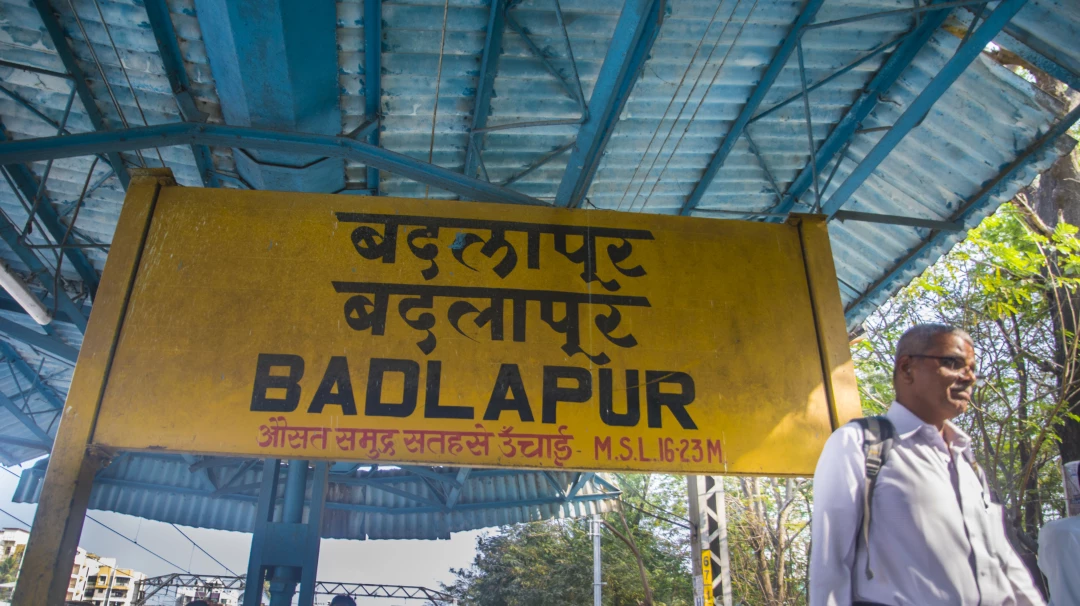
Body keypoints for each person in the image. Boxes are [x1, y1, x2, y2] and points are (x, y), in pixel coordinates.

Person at [810, 323, 1044, 605]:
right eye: (953, 363)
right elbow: (830, 565)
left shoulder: (967, 462)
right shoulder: (860, 443)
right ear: (907, 368)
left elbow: (1001, 558)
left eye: (972, 369)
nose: (969, 377)